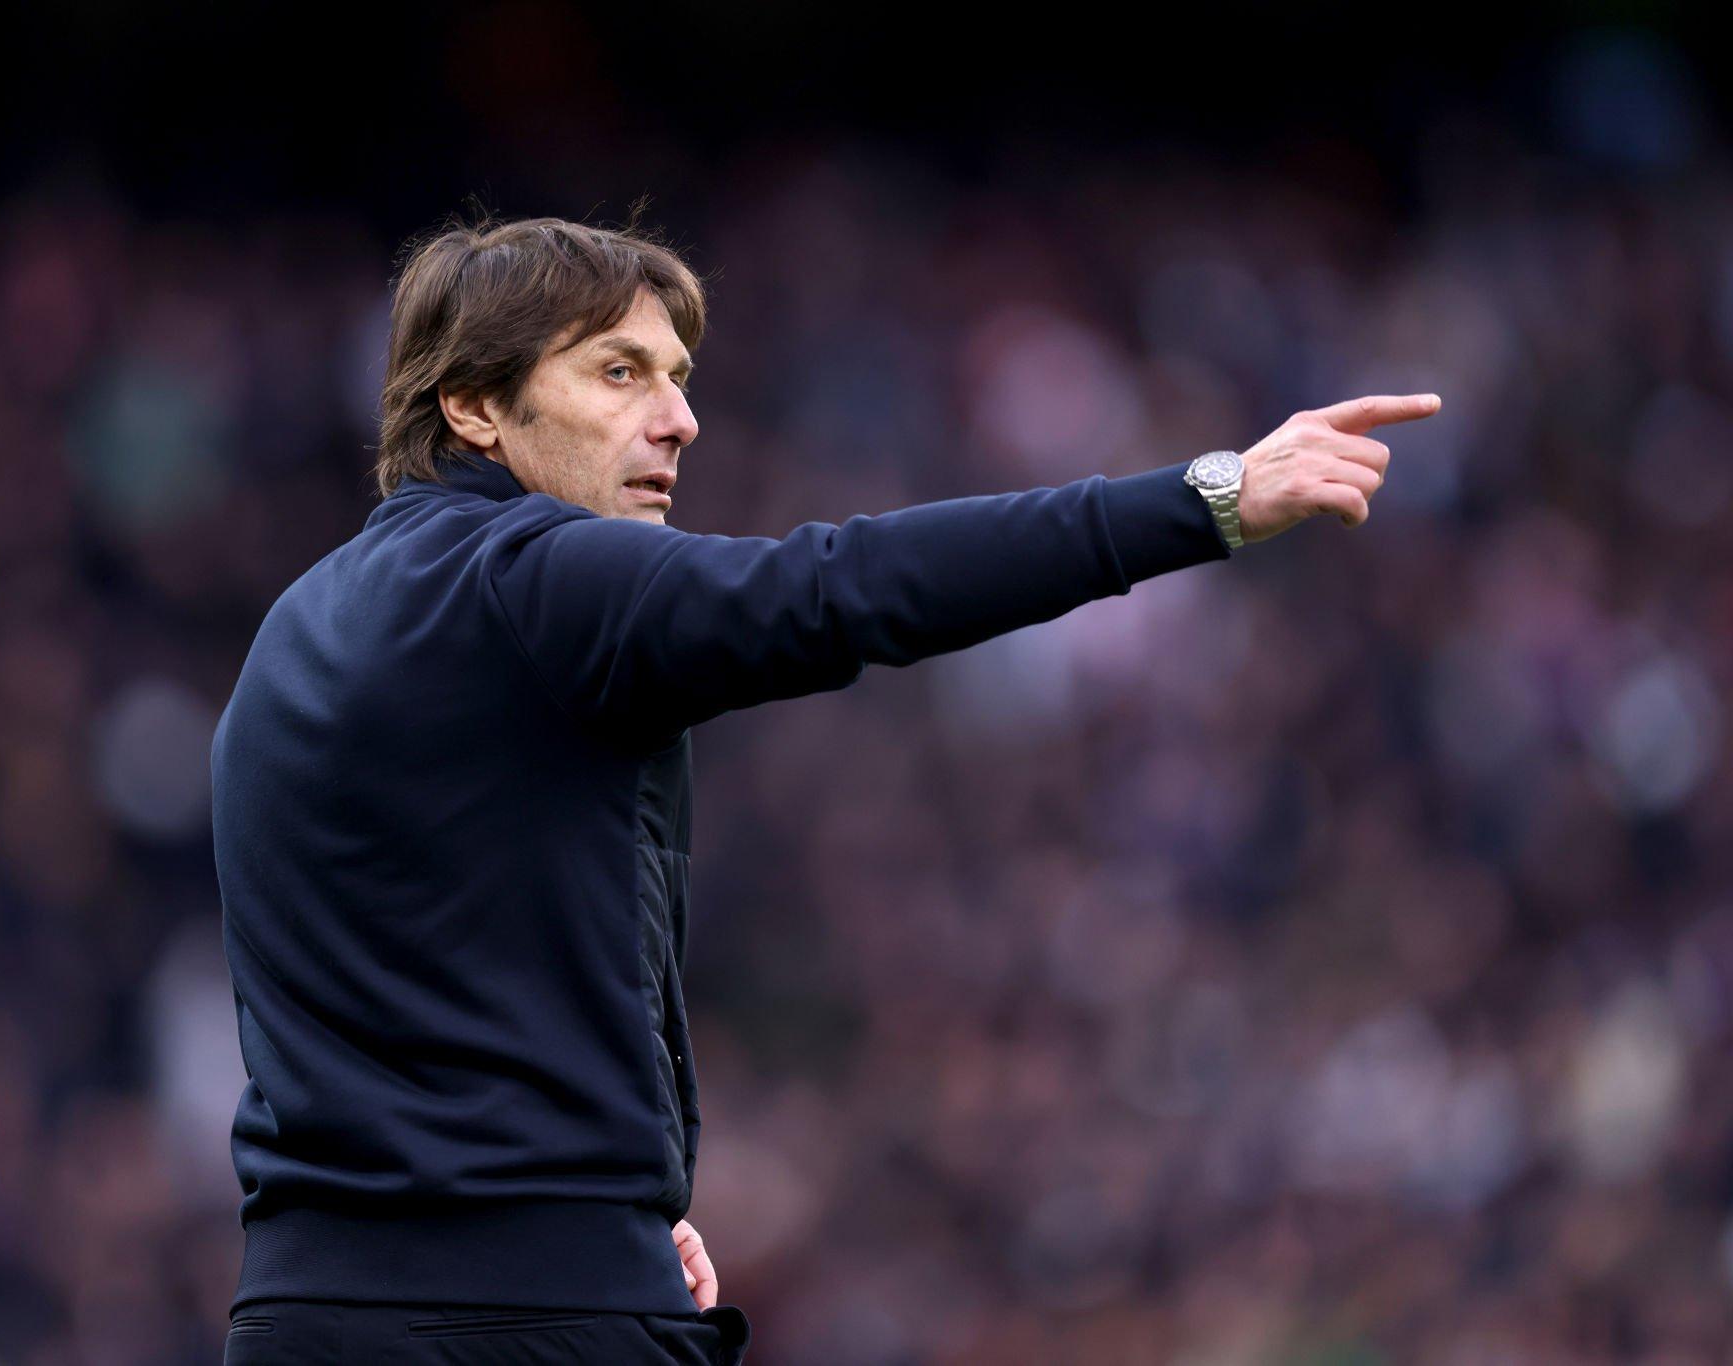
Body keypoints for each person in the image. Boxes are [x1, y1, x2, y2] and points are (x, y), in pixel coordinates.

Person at [209, 212, 1440, 1363]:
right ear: (475, 405)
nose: (679, 419)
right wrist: (1204, 499)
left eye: (678, 376)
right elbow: (838, 586)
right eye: (619, 373)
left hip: (302, 1317)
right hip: (536, 1321)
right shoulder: (533, 579)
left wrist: (602, 1207)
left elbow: (416, 983)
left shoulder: (292, 634)